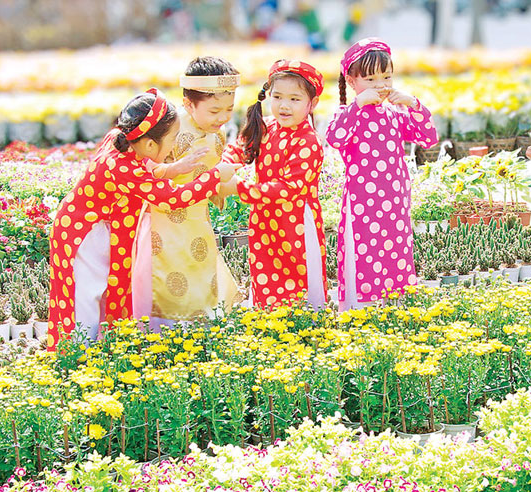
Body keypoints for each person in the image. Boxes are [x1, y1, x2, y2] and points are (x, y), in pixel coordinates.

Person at [47, 88, 240, 350]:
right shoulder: (121, 166)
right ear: (150, 144)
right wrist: (215, 176)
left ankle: (98, 353)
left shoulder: (121, 140)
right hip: (85, 234)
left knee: (101, 292)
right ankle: (76, 355)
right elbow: (172, 198)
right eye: (172, 140)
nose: (174, 146)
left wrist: (173, 168)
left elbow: (147, 173)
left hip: (98, 228)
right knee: (84, 297)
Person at [326, 38, 438, 311]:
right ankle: (359, 306)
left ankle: (394, 303)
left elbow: (428, 138)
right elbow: (334, 138)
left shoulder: (395, 114)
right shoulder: (348, 113)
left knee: (396, 250)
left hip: (395, 201)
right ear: (351, 81)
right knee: (363, 252)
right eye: (370, 78)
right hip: (363, 203)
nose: (381, 84)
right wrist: (357, 105)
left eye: (386, 76)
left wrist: (413, 104)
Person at [134, 57, 243, 327]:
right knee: (171, 273)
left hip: (197, 217)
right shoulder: (172, 130)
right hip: (165, 218)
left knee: (200, 269)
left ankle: (198, 331)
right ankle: (167, 331)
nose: (223, 118)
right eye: (215, 110)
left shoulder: (217, 133)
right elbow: (146, 166)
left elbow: (213, 174)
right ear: (188, 104)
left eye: (229, 109)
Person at [226, 59, 328, 309]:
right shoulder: (266, 126)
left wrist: (239, 188)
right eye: (278, 96)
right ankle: (269, 321)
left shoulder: (308, 141)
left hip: (295, 222)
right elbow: (239, 148)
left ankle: (302, 324)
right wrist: (225, 164)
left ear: (312, 104)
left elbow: (289, 188)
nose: (284, 106)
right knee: (265, 273)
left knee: (297, 274)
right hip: (264, 218)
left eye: (295, 99)